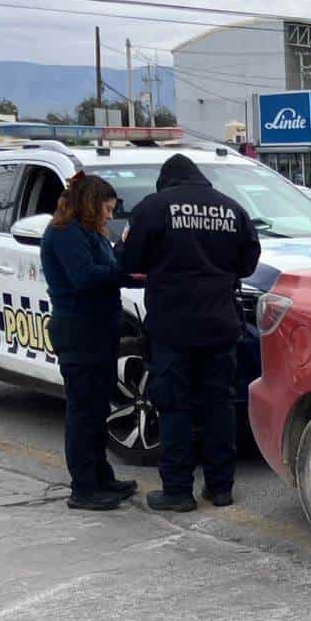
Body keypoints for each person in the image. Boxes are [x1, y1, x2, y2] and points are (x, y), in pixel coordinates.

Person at [120, 154, 260, 513]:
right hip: (220, 325)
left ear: (166, 182)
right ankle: (220, 487)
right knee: (219, 407)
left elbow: (129, 262)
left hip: (173, 327)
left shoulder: (153, 207)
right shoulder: (231, 209)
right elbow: (248, 262)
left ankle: (179, 491)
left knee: (174, 407)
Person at [40, 173, 137, 511]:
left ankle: (101, 475)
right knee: (82, 411)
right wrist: (123, 271)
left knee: (97, 408)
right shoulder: (65, 233)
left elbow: (107, 270)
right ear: (91, 204)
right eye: (107, 209)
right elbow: (84, 277)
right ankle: (83, 486)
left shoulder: (90, 233)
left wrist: (129, 270)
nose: (110, 216)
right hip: (79, 330)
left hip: (99, 329)